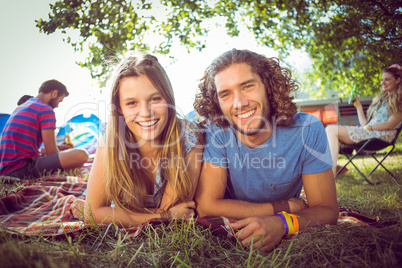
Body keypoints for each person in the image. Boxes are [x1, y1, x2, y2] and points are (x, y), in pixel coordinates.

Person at [193, 49, 338, 252]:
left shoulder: (307, 130)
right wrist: (283, 208)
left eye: (248, 86)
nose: (239, 103)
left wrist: (282, 223)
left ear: (268, 86)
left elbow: (327, 209)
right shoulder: (218, 131)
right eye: (225, 94)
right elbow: (206, 206)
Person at [72, 52, 203, 227]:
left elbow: (169, 218)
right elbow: (92, 213)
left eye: (155, 99)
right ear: (119, 108)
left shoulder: (187, 137)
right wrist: (166, 215)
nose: (146, 113)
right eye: (132, 103)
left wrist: (110, 214)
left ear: (168, 99)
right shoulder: (111, 135)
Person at [0, 80, 89, 179]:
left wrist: (58, 148)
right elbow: (52, 153)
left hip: (5, 169)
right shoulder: (45, 109)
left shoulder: (21, 107)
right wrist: (62, 153)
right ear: (54, 93)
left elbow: (32, 149)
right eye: (60, 101)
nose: (58, 105)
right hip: (22, 170)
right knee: (82, 154)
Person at [326, 64, 402, 176]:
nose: (382, 83)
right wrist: (358, 107)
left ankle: (330, 173)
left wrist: (368, 128)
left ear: (397, 80)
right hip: (370, 133)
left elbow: (390, 125)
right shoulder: (381, 100)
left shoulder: (400, 101)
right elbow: (365, 124)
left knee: (332, 129)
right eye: (381, 80)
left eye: (387, 79)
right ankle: (331, 168)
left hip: (381, 136)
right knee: (330, 130)